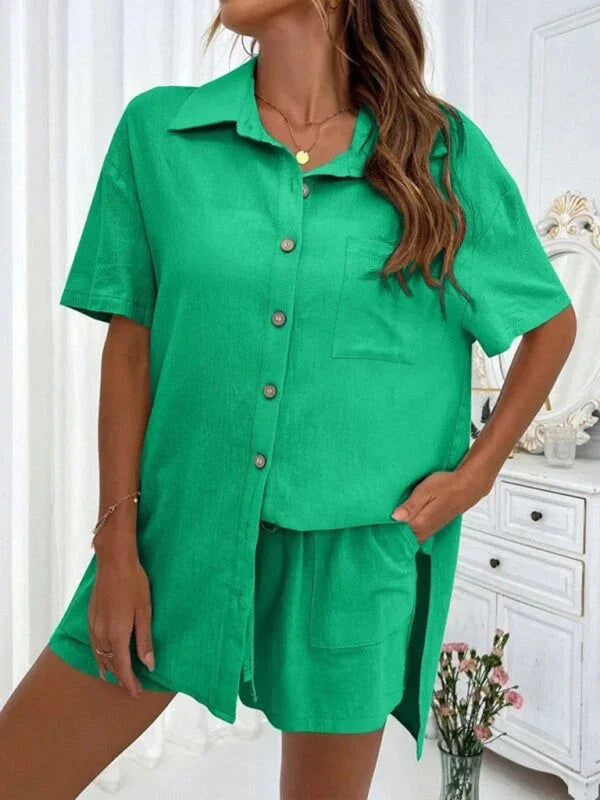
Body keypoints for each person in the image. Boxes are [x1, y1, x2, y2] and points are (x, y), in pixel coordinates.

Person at [0, 1, 576, 798]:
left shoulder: (438, 152)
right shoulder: (160, 133)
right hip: (178, 540)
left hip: (355, 562)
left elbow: (550, 323)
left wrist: (477, 475)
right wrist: (118, 546)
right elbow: (128, 350)